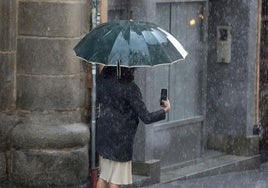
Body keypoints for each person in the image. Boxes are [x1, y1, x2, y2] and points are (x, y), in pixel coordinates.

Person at [96, 66, 171, 188]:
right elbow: (146, 117)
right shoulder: (130, 88)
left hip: (105, 134)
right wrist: (165, 110)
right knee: (116, 180)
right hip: (121, 139)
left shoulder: (104, 82)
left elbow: (98, 100)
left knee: (104, 176)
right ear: (130, 70)